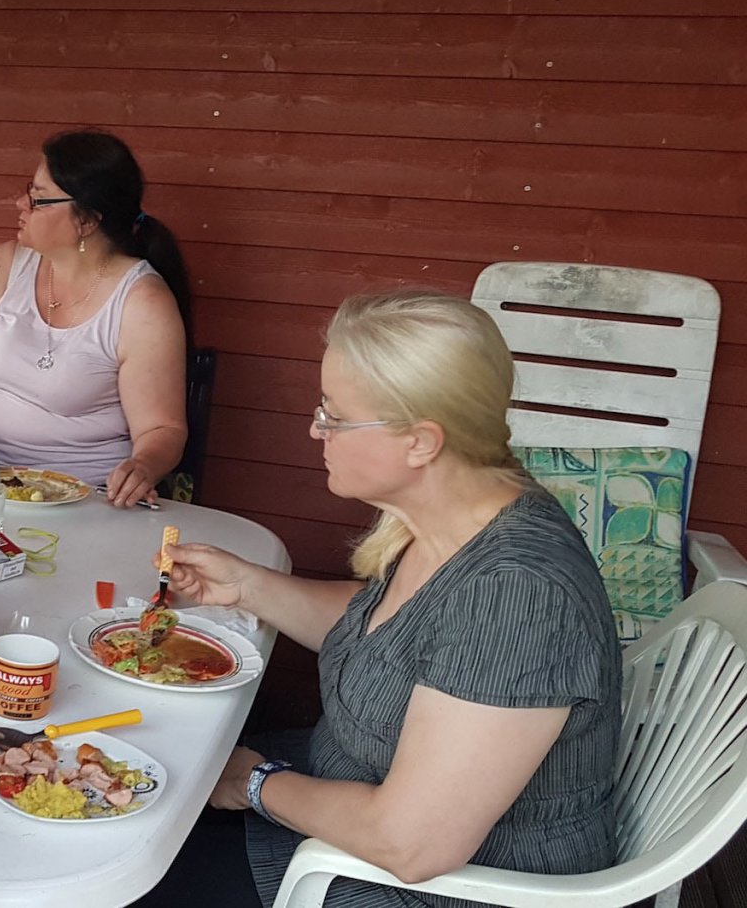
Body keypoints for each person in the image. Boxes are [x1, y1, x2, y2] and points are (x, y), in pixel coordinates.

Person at [141, 292, 621, 907]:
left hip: (419, 887)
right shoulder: (458, 511)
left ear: (420, 442)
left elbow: (410, 845)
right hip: (333, 807)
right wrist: (248, 587)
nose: (316, 429)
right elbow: (393, 638)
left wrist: (252, 782)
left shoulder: (517, 596)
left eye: (334, 415)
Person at [0, 129, 189, 506]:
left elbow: (161, 427)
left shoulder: (142, 302)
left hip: (87, 496)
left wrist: (142, 467)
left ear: (87, 221)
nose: (20, 203)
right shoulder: (3, 265)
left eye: (38, 199)